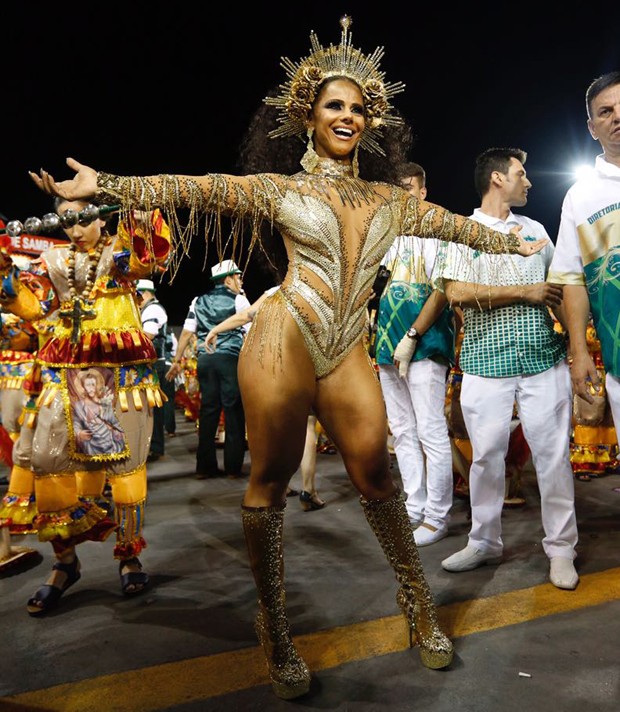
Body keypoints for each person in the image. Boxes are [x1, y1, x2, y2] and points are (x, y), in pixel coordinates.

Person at [30, 16, 548, 698]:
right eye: (335, 104)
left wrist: (516, 245)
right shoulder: (280, 189)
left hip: (344, 346)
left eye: (359, 108)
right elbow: (198, 186)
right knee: (269, 477)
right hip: (284, 332)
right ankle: (274, 627)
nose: (349, 116)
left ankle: (418, 607)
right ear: (309, 116)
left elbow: (456, 225)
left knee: (376, 474)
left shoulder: (392, 200)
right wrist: (114, 185)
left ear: (373, 123)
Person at [0, 198, 170, 614]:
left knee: (126, 471)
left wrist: (139, 213)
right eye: (67, 219)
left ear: (103, 216)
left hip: (120, 376)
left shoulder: (119, 251)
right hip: (64, 371)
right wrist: (4, 271)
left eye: (85, 216)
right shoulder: (52, 258)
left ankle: (129, 556)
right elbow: (33, 306)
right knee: (45, 462)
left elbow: (142, 263)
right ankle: (65, 562)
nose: (75, 228)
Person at [438, 147, 579, 591]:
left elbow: (563, 285)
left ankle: (561, 549)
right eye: (522, 173)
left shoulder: (535, 229)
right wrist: (525, 292)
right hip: (484, 362)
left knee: (553, 457)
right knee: (485, 460)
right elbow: (457, 293)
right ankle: (484, 541)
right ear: (498, 178)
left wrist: (576, 342)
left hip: (542, 358)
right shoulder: (461, 232)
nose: (529, 181)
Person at [374, 162, 455, 546]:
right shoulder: (388, 235)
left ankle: (438, 516)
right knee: (403, 431)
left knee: (430, 430)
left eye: (407, 188)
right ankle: (414, 505)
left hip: (426, 344)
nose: (401, 194)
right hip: (386, 345)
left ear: (422, 191)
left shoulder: (439, 229)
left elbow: (442, 291)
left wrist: (412, 334)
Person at [204, 285, 326, 510]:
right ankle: (309, 490)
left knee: (277, 427)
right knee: (307, 426)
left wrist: (215, 330)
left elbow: (246, 315)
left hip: (273, 366)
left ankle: (281, 485)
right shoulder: (314, 288)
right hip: (305, 364)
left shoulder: (274, 291)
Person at [547, 71, 620, 444]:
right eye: (606, 112)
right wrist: (579, 352)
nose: (617, 117)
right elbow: (572, 279)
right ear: (592, 128)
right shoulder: (581, 196)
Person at [166, 259, 250, 479]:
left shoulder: (197, 301)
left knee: (208, 411)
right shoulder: (240, 301)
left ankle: (204, 467)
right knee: (233, 412)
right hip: (230, 359)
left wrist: (176, 361)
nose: (241, 281)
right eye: (238, 277)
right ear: (229, 278)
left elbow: (186, 333)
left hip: (206, 360)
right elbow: (251, 332)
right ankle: (233, 467)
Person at [136, 278, 173, 461]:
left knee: (154, 408)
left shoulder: (153, 309)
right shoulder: (149, 309)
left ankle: (156, 447)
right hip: (152, 363)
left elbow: (149, 334)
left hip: (156, 364)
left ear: (145, 294)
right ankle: (153, 446)